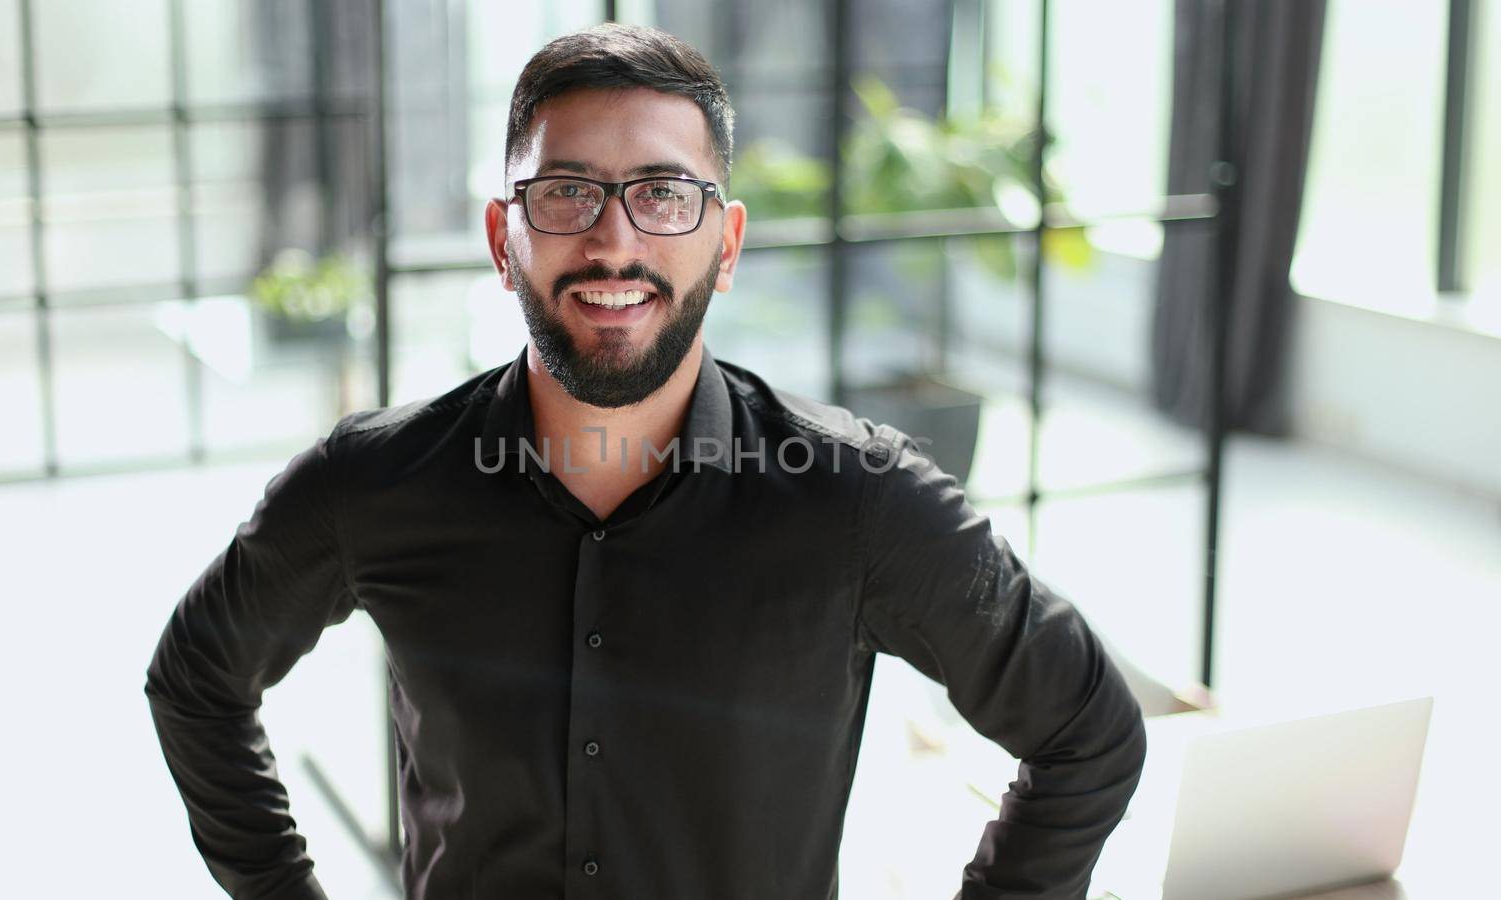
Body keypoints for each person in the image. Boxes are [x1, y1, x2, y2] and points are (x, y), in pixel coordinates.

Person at [144, 23, 1146, 900]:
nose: (613, 242)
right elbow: (195, 681)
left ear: (725, 242)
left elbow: (1087, 733)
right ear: (503, 239)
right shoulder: (371, 486)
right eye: (568, 193)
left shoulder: (860, 504)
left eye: (664, 195)